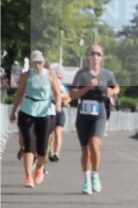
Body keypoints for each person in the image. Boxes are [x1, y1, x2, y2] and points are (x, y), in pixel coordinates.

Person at [67, 44, 119, 195]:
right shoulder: (81, 74)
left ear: (102, 57)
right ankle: (86, 179)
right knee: (85, 148)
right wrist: (87, 87)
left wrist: (112, 91)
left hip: (100, 112)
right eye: (93, 54)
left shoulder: (107, 74)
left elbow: (116, 88)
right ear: (87, 57)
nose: (95, 57)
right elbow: (72, 95)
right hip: (83, 113)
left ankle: (95, 174)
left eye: (98, 54)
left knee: (94, 144)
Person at [9, 50, 61, 187]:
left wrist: (59, 105)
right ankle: (28, 176)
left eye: (40, 62)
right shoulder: (26, 75)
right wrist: (13, 111)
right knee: (28, 143)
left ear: (43, 62)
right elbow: (19, 94)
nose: (38, 65)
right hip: (27, 110)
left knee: (42, 147)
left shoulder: (50, 74)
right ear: (32, 63)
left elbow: (57, 93)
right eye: (35, 62)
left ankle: (39, 168)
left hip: (44, 111)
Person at [46, 64, 70, 162]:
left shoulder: (61, 85)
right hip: (50, 111)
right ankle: (49, 151)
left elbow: (68, 97)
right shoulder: (48, 83)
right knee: (50, 134)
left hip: (59, 111)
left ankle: (56, 153)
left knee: (58, 132)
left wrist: (62, 99)